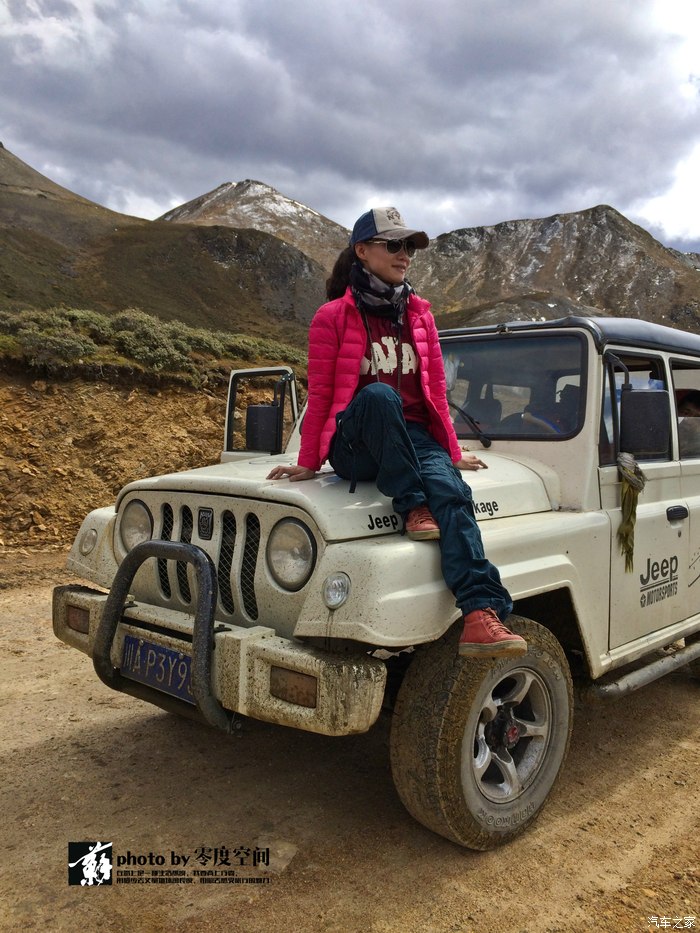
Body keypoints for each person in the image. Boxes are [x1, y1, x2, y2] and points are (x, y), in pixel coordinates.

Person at [267, 207, 525, 658]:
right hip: (356, 442)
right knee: (380, 396)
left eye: (408, 246)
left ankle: (479, 614)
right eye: (393, 245)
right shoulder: (332, 317)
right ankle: (412, 504)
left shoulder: (420, 316)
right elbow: (322, 393)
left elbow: (437, 392)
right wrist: (309, 462)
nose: (404, 254)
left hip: (413, 437)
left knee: (453, 491)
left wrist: (450, 452)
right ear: (362, 251)